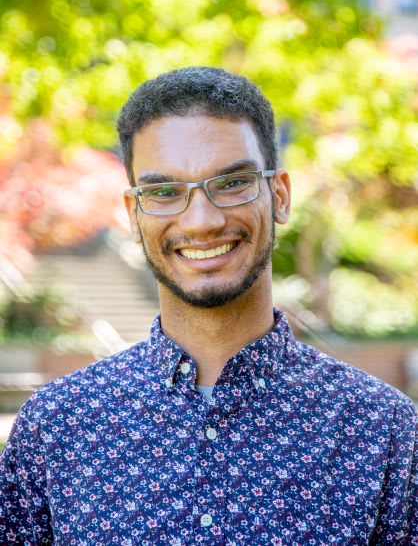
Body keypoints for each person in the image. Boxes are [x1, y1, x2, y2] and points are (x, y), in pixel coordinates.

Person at [0, 67, 416, 545]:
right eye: (163, 192)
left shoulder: (382, 431)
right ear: (134, 216)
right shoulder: (56, 428)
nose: (200, 221)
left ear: (278, 195)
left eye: (232, 182)